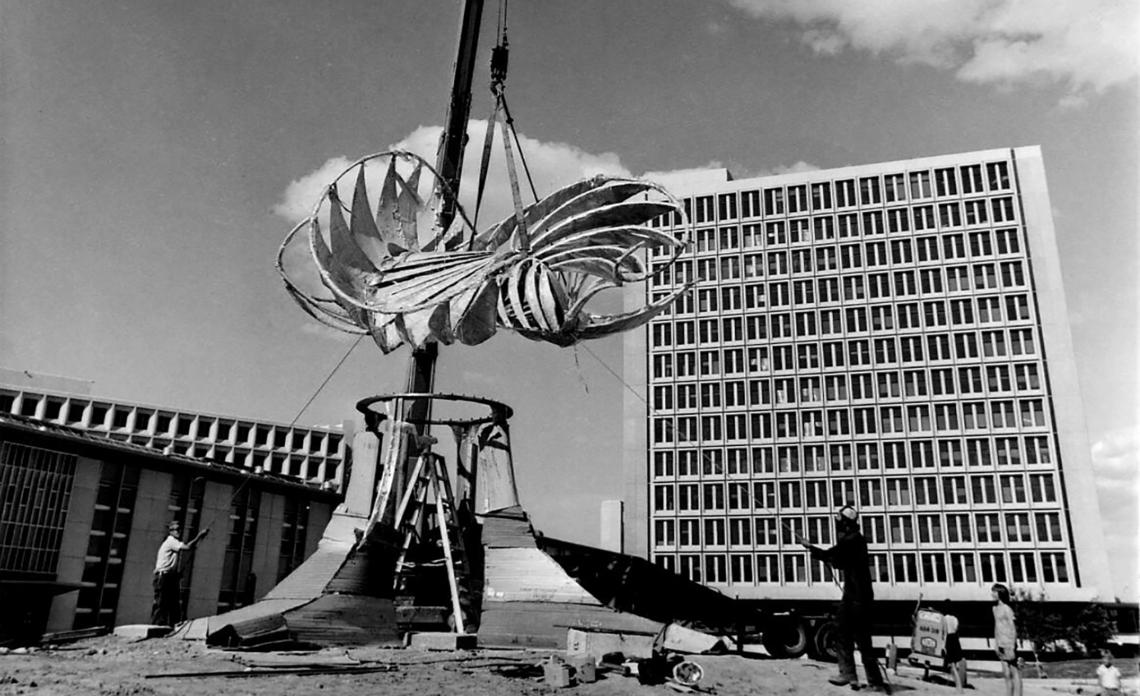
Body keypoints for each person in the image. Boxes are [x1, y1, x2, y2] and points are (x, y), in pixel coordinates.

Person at [801, 505, 890, 693]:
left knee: (849, 635)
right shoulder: (856, 540)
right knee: (856, 638)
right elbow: (838, 559)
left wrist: (810, 548)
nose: (838, 525)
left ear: (846, 524)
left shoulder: (851, 541)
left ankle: (853, 675)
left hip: (855, 598)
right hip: (859, 595)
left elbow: (835, 558)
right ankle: (871, 681)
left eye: (840, 522)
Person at [152, 520, 208, 626]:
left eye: (179, 529)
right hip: (163, 577)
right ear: (171, 531)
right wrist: (200, 535)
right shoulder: (171, 541)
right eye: (175, 529)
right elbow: (187, 547)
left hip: (169, 576)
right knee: (162, 603)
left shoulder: (174, 542)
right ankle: (157, 626)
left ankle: (174, 625)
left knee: (174, 602)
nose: (178, 531)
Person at [991, 583, 1022, 696]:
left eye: (994, 592)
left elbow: (1013, 627)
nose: (992, 594)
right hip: (1000, 642)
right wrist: (995, 643)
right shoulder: (994, 609)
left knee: (1014, 670)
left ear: (1000, 593)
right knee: (1006, 672)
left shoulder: (1007, 609)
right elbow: (996, 626)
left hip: (1009, 643)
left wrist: (1013, 645)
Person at [942, 602, 967, 693]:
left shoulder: (944, 619)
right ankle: (959, 687)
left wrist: (943, 646)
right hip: (955, 639)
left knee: (952, 666)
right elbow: (956, 630)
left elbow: (944, 632)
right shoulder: (955, 619)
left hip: (949, 639)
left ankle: (959, 688)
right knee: (955, 665)